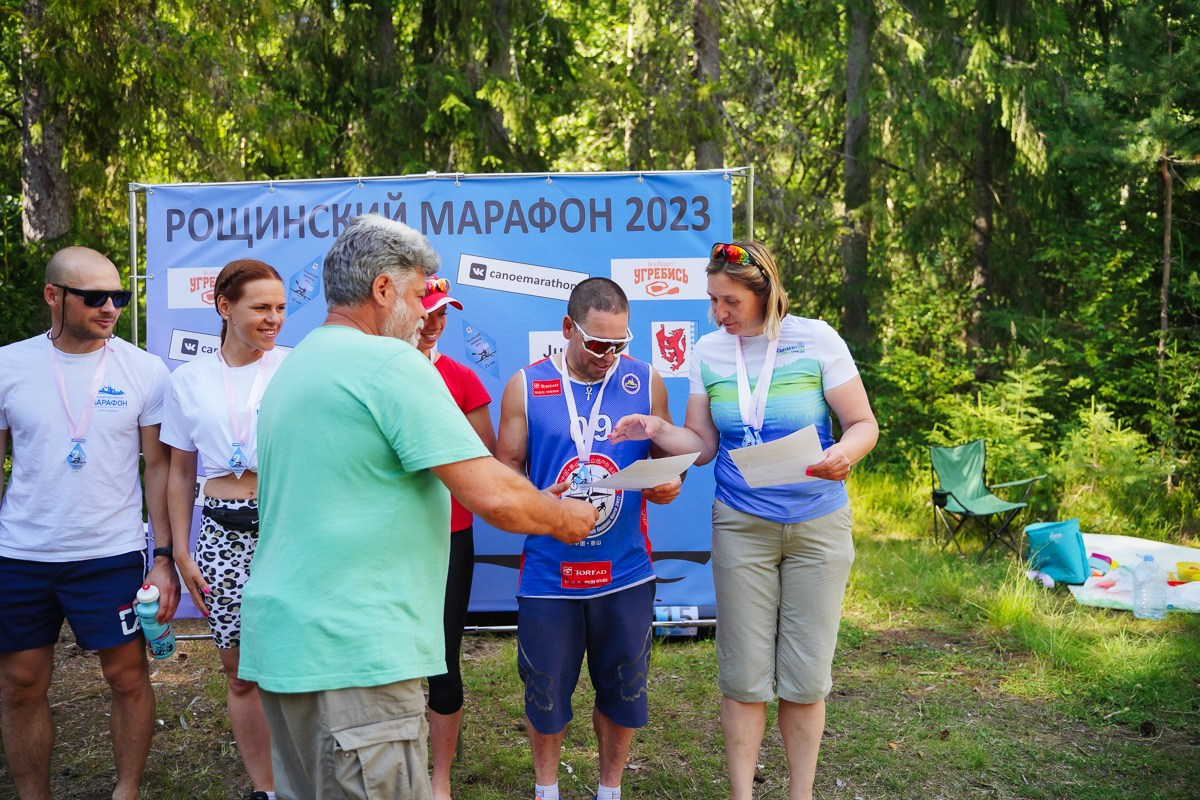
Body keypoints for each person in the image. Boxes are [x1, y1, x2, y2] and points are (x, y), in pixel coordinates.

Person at [237, 214, 598, 800]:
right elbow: (492, 494)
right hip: (358, 656)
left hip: (288, 650)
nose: (423, 311)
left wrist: (534, 500)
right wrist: (569, 519)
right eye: (416, 293)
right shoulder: (388, 363)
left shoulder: (297, 365)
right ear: (382, 289)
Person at [609, 241, 879, 800]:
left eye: (729, 301)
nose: (719, 313)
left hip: (818, 526)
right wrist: (658, 431)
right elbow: (703, 444)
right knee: (744, 676)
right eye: (712, 300)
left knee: (805, 680)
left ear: (766, 294)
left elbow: (861, 423)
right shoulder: (708, 350)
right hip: (741, 524)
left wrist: (845, 455)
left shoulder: (817, 338)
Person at [0, 246, 179, 800]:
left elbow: (160, 468)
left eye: (118, 297)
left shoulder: (144, 369)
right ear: (54, 297)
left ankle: (125, 792)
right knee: (21, 684)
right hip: (22, 554)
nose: (110, 308)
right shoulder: (8, 364)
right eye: (94, 297)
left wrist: (164, 555)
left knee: (127, 679)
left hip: (111, 553)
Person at [496, 277, 683, 800]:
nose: (609, 355)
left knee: (624, 689)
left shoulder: (645, 381)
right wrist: (539, 502)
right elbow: (503, 475)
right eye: (598, 343)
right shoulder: (526, 386)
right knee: (546, 692)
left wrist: (671, 482)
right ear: (567, 330)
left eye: (620, 344)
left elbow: (667, 459)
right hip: (548, 573)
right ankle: (547, 789)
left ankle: (610, 789)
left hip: (624, 570)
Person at [160, 259, 288, 800]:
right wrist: (182, 554)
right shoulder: (187, 379)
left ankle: (303, 778)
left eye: (281, 308)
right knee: (239, 672)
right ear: (224, 308)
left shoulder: (293, 367)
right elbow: (179, 470)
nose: (273, 319)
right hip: (219, 538)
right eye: (261, 307)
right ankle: (267, 789)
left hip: (286, 529)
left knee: (296, 666)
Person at [414, 275, 496, 800]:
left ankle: (439, 780)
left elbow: (485, 458)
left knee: (443, 657)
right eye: (427, 312)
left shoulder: (462, 378)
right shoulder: (375, 373)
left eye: (444, 313)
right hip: (386, 537)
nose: (435, 323)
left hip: (449, 536)